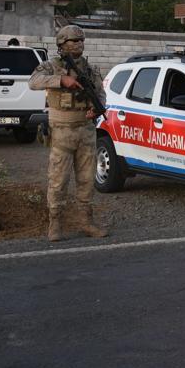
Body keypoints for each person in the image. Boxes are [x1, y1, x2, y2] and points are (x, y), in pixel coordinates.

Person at [29, 25, 109, 241]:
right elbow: (33, 82)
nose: (79, 44)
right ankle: (55, 225)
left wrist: (97, 107)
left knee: (86, 181)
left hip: (86, 130)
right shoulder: (51, 66)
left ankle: (86, 222)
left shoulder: (90, 69)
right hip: (62, 130)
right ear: (62, 44)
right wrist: (60, 80)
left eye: (81, 40)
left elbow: (100, 94)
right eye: (73, 41)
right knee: (58, 180)